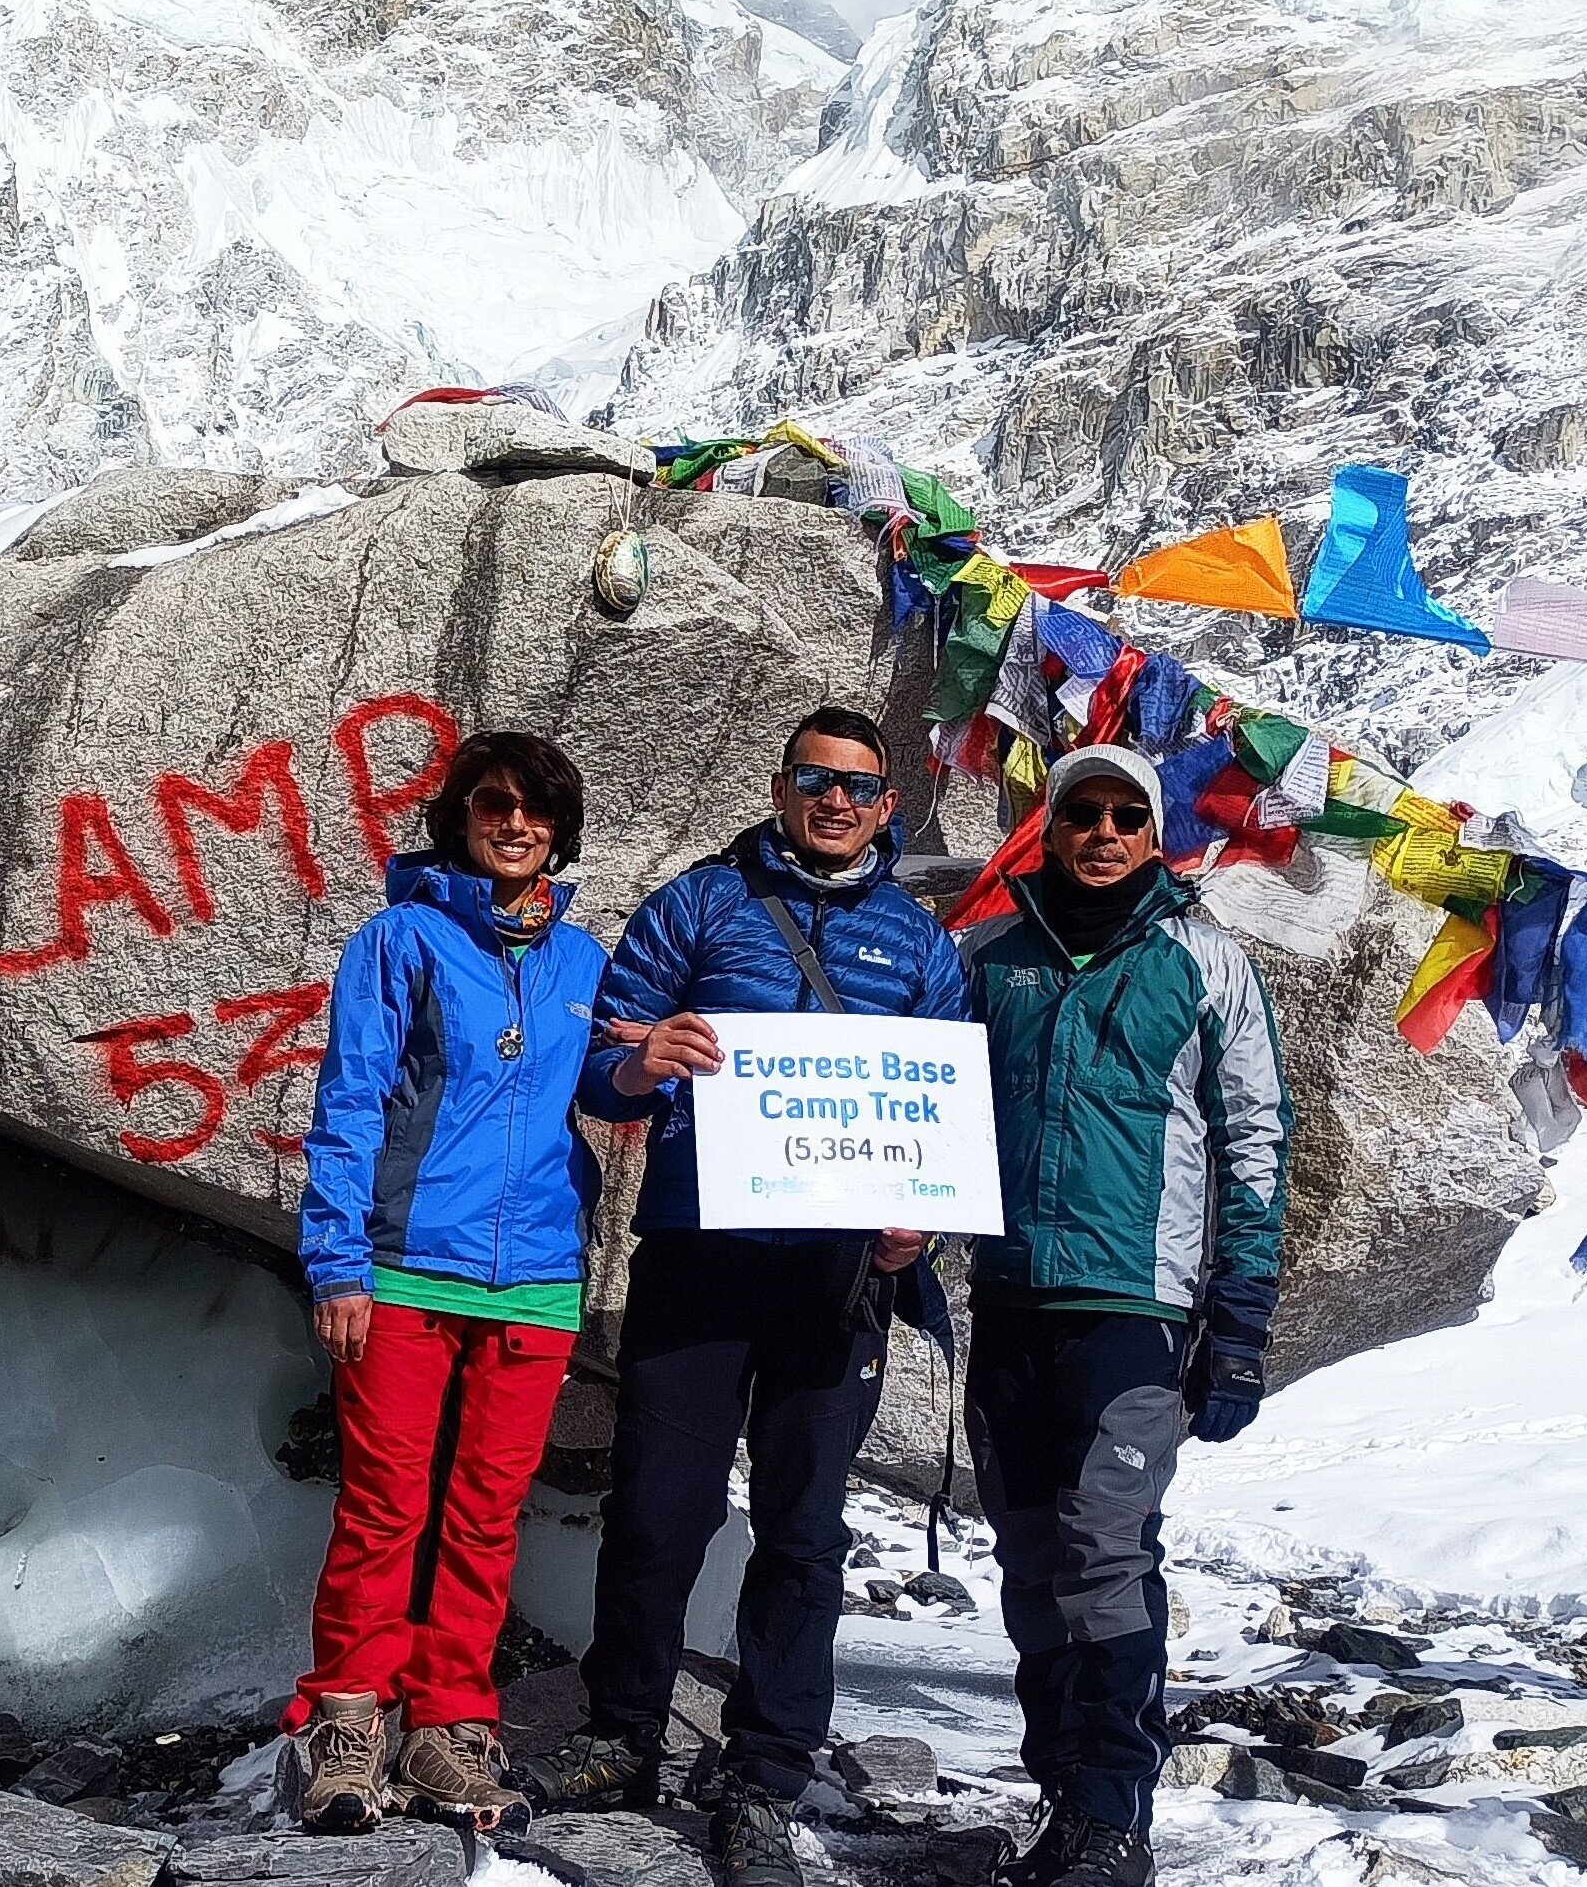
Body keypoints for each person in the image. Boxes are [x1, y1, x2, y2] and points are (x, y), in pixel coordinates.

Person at [533, 706, 970, 1887]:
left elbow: (948, 1112)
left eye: (859, 787)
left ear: (887, 806)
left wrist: (914, 1222)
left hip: (838, 1276)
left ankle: (766, 1763)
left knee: (805, 1528)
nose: (835, 801)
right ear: (780, 789)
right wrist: (635, 1064)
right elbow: (596, 1063)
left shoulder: (918, 941)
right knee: (657, 1507)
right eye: (814, 779)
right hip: (698, 1250)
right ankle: (618, 1733)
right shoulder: (698, 903)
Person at [959, 745, 1291, 1887]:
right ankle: (1060, 1789)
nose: (1103, 831)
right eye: (1082, 812)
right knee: (1027, 1552)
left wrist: (1238, 1319)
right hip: (1006, 1294)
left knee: (1104, 1549)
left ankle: (1113, 1811)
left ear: (1154, 834)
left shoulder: (1206, 962)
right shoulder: (987, 955)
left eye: (1125, 814)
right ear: (1049, 829)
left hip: (1135, 1306)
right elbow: (920, 1107)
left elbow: (1255, 1143)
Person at [290, 731, 611, 1833]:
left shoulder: (582, 960)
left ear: (559, 828)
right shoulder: (401, 937)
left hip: (535, 1278)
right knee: (385, 1506)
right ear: (460, 816)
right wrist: (336, 1259)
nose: (513, 822)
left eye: (534, 808)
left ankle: (451, 1726)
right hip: (407, 1269)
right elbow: (349, 1102)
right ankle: (345, 1719)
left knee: (483, 1516)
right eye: (492, 802)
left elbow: (612, 1082)